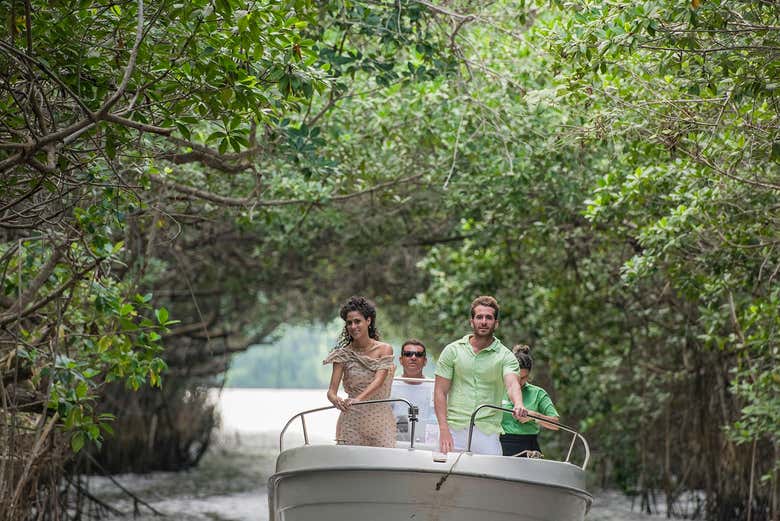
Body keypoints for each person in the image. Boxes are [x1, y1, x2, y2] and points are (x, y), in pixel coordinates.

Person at [434, 296, 527, 455]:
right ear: (472, 321)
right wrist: (443, 428)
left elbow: (512, 384)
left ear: (496, 323)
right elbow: (440, 392)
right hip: (454, 429)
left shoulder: (506, 356)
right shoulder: (452, 350)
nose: (484, 321)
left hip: (488, 432)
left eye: (489, 318)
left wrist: (518, 403)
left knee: (489, 478)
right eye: (479, 317)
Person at [323, 296, 396, 447]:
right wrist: (336, 400)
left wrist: (359, 399)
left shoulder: (384, 349)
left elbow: (379, 380)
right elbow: (331, 391)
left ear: (368, 321)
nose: (353, 326)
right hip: (352, 421)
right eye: (349, 323)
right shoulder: (342, 354)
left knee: (384, 465)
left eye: (357, 321)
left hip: (380, 420)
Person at [500, 344, 560, 457]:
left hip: (528, 445)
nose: (518, 382)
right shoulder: (497, 390)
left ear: (529, 375)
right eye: (516, 377)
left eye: (523, 378)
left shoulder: (537, 393)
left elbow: (556, 424)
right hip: (500, 443)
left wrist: (533, 415)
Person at [391, 339, 438, 445]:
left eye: (418, 355)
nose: (413, 358)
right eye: (408, 354)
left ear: (425, 361)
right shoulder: (391, 385)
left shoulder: (435, 387)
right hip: (396, 443)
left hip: (427, 445)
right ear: (401, 360)